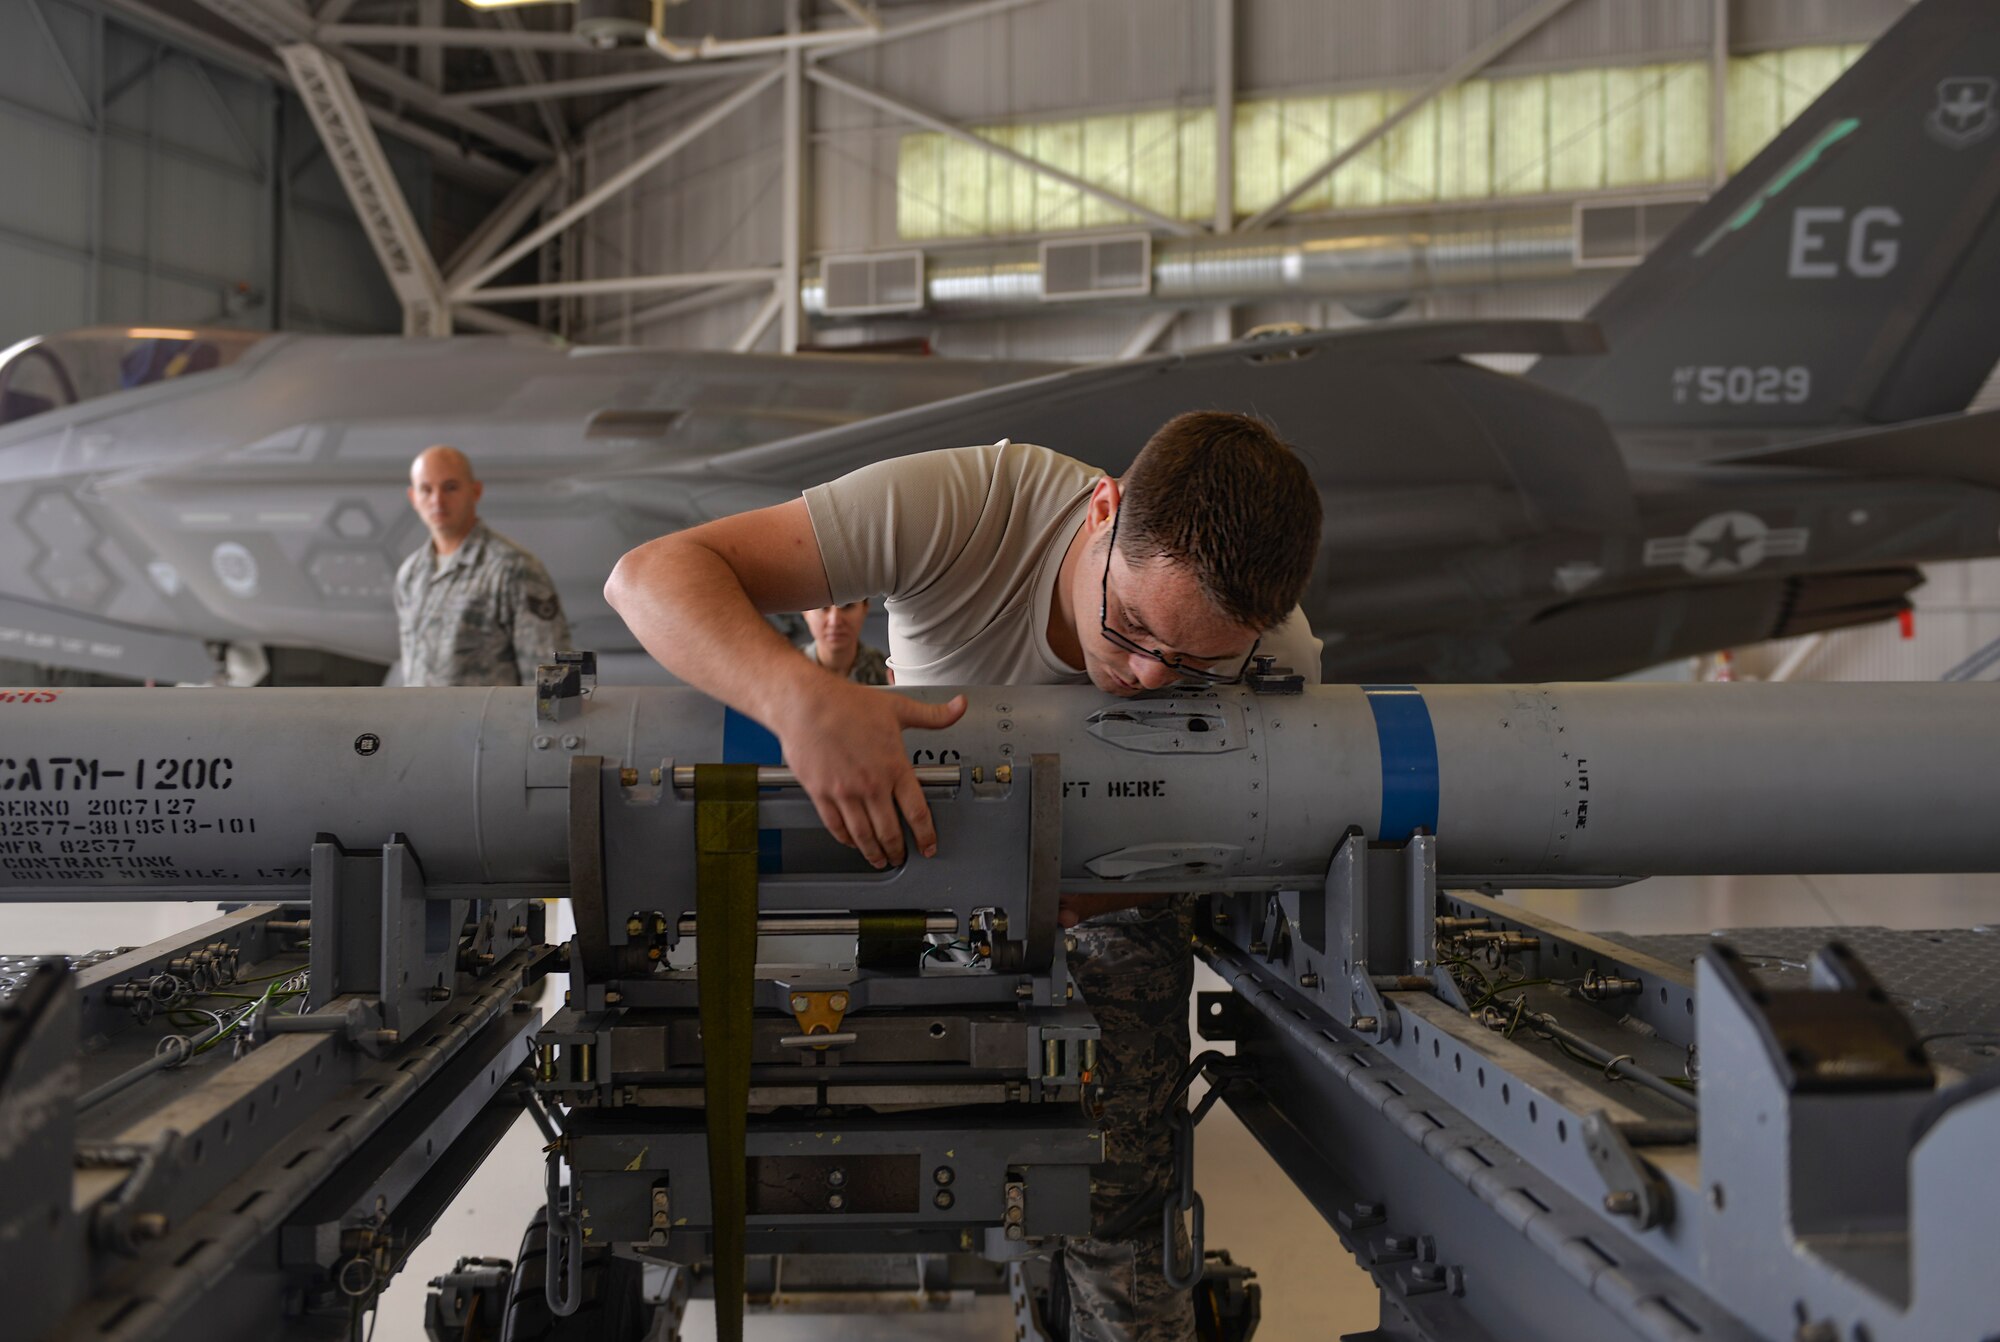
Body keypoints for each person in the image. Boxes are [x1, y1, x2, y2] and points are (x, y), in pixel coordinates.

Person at [604, 411, 1322, 1342]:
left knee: (1119, 1191)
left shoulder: (1281, 658)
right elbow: (650, 575)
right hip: (893, 853)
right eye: (1134, 624)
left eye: (1194, 663)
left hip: (1106, 886)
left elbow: (1263, 825)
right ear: (1103, 510)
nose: (1147, 674)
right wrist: (801, 699)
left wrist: (1102, 896)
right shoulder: (965, 508)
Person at [395, 445, 572, 687]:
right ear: (413, 498)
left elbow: (551, 677)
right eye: (426, 489)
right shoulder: (411, 574)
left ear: (475, 491)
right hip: (421, 724)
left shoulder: (512, 568)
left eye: (450, 487)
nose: (437, 500)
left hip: (490, 724)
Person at [802, 598, 892, 685]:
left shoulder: (886, 672)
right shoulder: (791, 672)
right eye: (822, 607)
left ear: (865, 608)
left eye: (847, 606)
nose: (834, 622)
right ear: (805, 612)